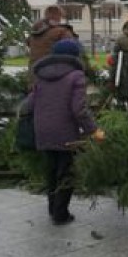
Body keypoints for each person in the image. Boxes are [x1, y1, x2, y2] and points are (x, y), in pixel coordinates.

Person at [28, 39, 105, 224]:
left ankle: (53, 208)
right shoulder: (76, 76)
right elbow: (78, 109)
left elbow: (30, 103)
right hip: (65, 131)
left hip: (42, 129)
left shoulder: (41, 75)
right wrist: (94, 130)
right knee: (67, 172)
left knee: (51, 171)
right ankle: (61, 214)